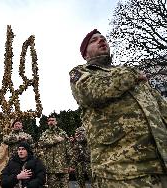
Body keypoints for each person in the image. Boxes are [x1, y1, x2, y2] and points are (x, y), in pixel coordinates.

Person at [69, 29, 167, 187]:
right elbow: (91, 92)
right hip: (121, 172)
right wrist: (132, 74)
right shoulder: (81, 73)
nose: (101, 40)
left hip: (161, 165)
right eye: (94, 40)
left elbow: (162, 109)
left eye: (103, 38)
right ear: (85, 54)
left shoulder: (132, 74)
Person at [38, 115, 73, 188]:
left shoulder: (62, 133)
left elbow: (69, 149)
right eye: (49, 120)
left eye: (53, 120)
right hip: (51, 167)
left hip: (63, 166)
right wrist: (55, 140)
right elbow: (40, 144)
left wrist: (71, 165)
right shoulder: (45, 134)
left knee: (65, 186)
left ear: (56, 122)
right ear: (47, 123)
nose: (51, 122)